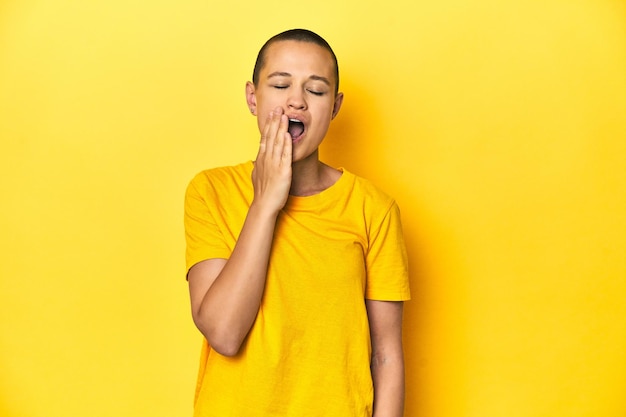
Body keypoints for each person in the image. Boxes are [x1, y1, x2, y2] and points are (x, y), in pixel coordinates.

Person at [184, 28, 410, 417]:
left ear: (335, 106)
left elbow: (386, 356)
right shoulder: (211, 191)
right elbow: (223, 333)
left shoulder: (374, 209)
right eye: (280, 85)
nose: (297, 101)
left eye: (316, 91)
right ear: (253, 98)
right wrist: (266, 203)